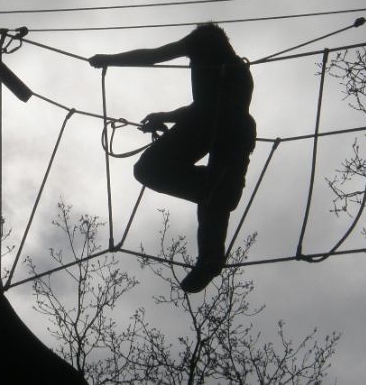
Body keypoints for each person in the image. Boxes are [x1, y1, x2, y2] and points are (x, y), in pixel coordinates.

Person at [89, 23, 256, 293]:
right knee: (212, 197)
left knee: (148, 169)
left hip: (211, 120)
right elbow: (210, 104)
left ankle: (215, 186)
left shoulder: (203, 39)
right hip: (241, 131)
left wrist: (110, 60)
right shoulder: (240, 70)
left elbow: (154, 56)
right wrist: (164, 116)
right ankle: (210, 258)